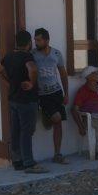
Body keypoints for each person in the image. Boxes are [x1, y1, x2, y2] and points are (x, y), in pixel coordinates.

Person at [0, 30, 46, 174]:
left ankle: (17, 161)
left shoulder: (9, 56)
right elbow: (32, 69)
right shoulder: (27, 57)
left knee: (15, 131)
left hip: (13, 99)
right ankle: (29, 163)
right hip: (27, 100)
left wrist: (8, 84)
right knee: (27, 131)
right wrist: (31, 83)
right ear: (29, 43)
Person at [32, 27, 69, 164]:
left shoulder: (56, 54)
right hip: (42, 94)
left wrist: (66, 93)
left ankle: (57, 153)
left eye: (39, 40)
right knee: (56, 118)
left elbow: (63, 74)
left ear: (47, 40)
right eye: (35, 40)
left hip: (56, 92)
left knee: (58, 123)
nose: (36, 42)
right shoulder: (33, 54)